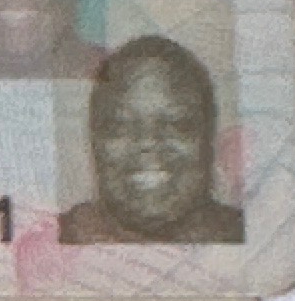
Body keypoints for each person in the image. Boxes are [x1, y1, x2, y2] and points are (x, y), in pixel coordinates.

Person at [59, 34, 247, 244]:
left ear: (209, 138)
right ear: (94, 140)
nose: (148, 142)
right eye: (121, 127)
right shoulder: (55, 238)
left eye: (177, 124)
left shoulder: (258, 238)